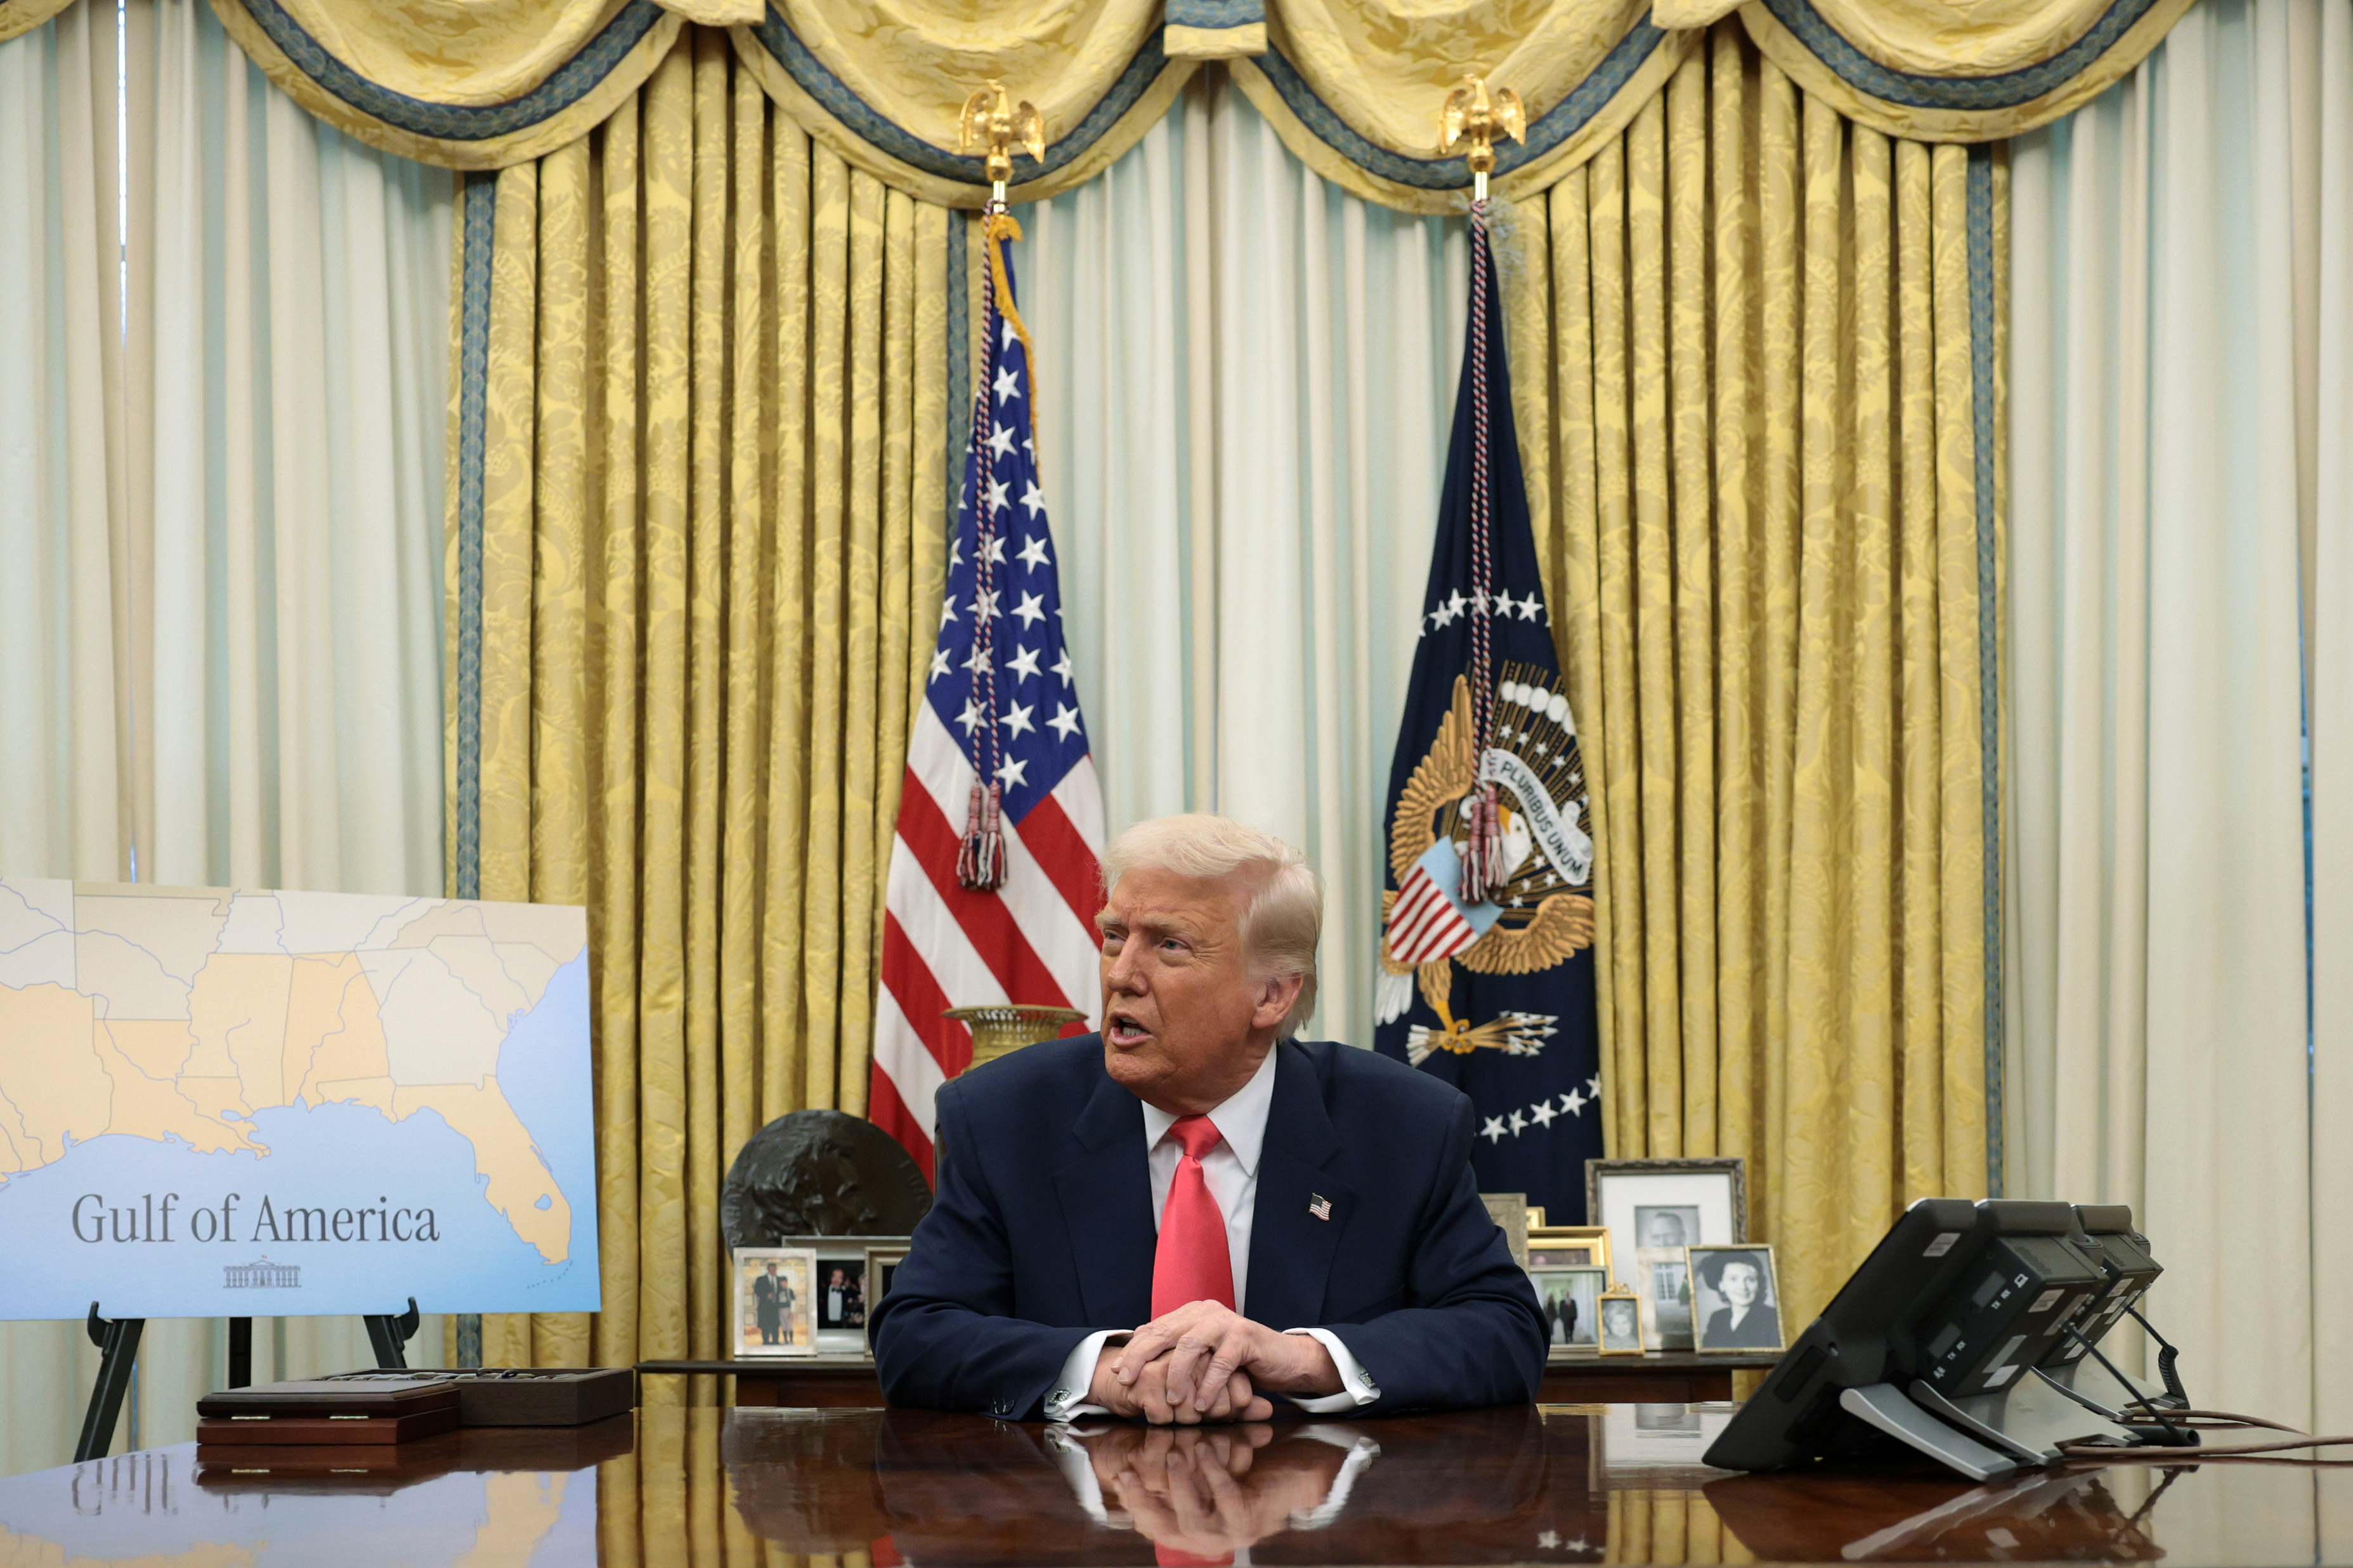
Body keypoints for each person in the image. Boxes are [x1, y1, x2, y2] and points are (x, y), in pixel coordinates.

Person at [871, 813, 1548, 1423]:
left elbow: (1504, 1329)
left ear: (1272, 994)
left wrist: (1303, 1358)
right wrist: (1107, 1373)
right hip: (1080, 1530)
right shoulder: (1003, 1115)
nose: (1120, 975)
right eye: (1114, 936)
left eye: (1169, 946)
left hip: (1320, 1535)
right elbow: (916, 1334)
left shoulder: (1403, 1125)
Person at [1697, 1251, 1780, 1349]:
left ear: (1759, 1284)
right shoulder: (1717, 1318)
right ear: (1721, 1285)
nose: (1743, 1287)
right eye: (1733, 1279)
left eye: (1750, 1279)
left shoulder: (1773, 1317)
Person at [753, 1261, 783, 1346]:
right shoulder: (761, 1279)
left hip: (776, 1307)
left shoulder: (779, 1279)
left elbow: (782, 1291)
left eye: (774, 1269)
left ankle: (775, 1341)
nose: (773, 1271)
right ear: (768, 1269)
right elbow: (757, 1291)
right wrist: (766, 1296)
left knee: (775, 1324)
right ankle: (766, 1341)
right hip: (765, 1306)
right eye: (771, 1269)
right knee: (765, 1324)